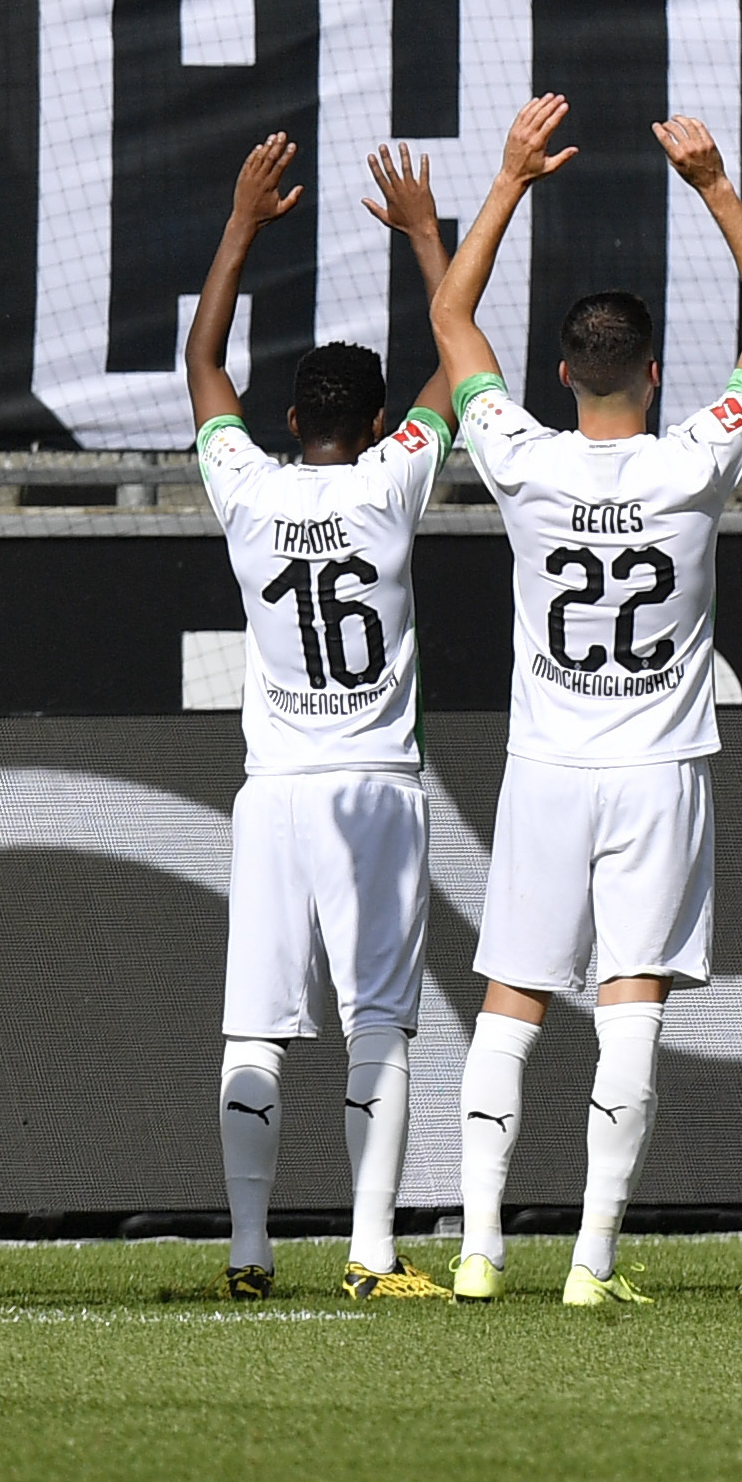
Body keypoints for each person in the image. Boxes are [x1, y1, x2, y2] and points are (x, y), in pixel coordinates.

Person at [385, 101, 742, 1307]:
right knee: (632, 1006)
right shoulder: (694, 461)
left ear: (560, 372)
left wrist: (509, 178)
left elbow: (452, 318)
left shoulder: (519, 454)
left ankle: (475, 1250)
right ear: (658, 371)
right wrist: (716, 182)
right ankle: (591, 1259)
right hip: (658, 770)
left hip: (549, 769)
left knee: (510, 998)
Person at [172, 134, 449, 1294]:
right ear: (380, 423)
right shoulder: (395, 480)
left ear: (288, 419)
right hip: (377, 787)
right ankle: (373, 1250)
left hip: (275, 793)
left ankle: (246, 1244)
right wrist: (429, 239)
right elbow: (466, 367)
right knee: (376, 1022)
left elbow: (199, 362)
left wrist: (240, 225)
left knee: (255, 1029)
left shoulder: (246, 487)